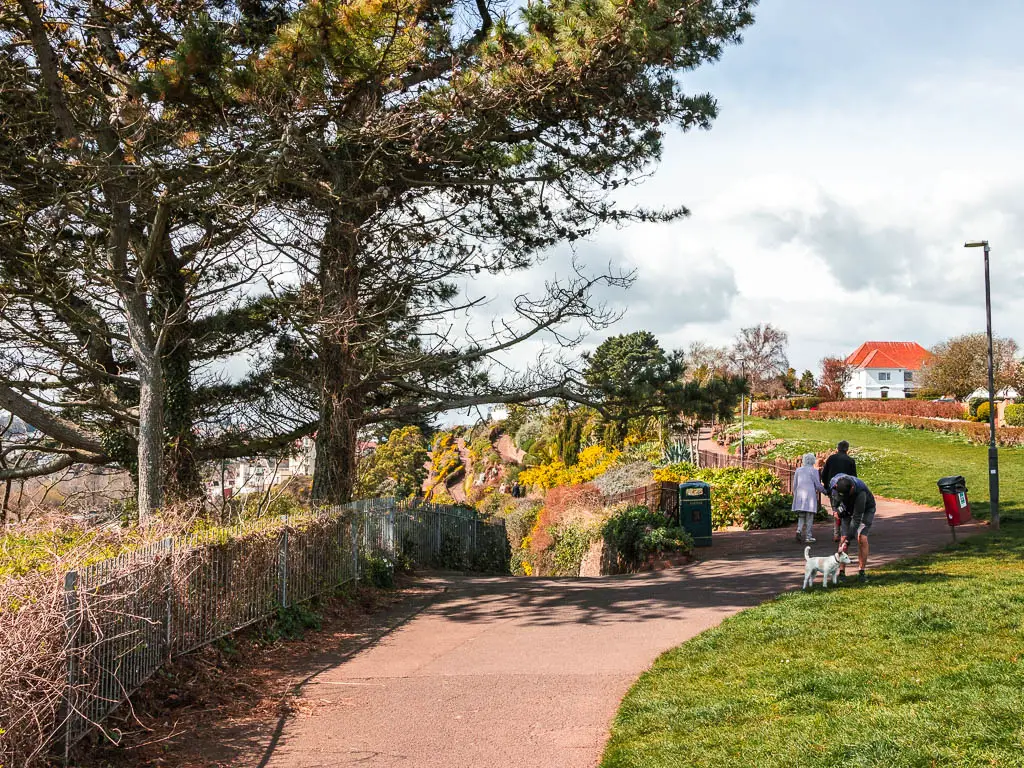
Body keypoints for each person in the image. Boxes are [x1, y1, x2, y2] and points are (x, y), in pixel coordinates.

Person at [829, 474, 876, 583]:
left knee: (862, 538)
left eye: (846, 495)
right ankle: (841, 573)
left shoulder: (860, 492)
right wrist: (836, 510)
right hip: (847, 509)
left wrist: (848, 540)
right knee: (843, 537)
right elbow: (834, 499)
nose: (844, 497)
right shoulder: (834, 484)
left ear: (852, 489)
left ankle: (861, 572)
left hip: (865, 510)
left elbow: (856, 519)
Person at [821, 440, 857, 542]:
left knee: (836, 510)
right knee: (845, 511)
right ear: (847, 449)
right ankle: (844, 534)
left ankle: (836, 534)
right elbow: (854, 478)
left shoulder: (831, 459)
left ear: (838, 448)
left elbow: (824, 474)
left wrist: (826, 485)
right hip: (846, 490)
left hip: (833, 489)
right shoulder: (850, 461)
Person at [792, 453, 826, 543]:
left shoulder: (798, 470)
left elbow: (794, 484)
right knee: (809, 516)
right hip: (810, 495)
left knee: (801, 516)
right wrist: (825, 491)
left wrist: (795, 493)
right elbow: (818, 485)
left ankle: (799, 530)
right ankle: (808, 536)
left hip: (800, 494)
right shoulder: (814, 471)